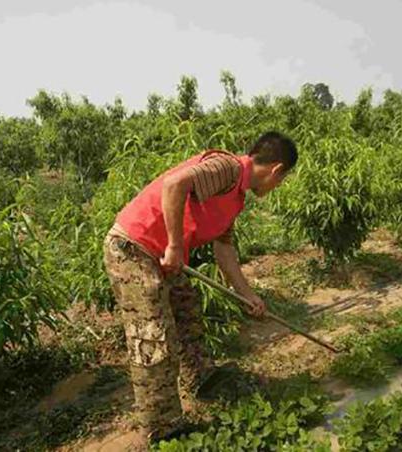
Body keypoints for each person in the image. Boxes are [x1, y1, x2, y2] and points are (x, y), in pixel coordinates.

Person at [102, 131, 298, 445]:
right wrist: (176, 245)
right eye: (282, 180)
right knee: (152, 336)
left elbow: (225, 253)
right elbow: (174, 185)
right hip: (134, 248)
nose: (278, 186)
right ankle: (162, 428)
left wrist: (249, 296)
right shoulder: (227, 168)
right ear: (276, 170)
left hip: (163, 257)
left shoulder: (235, 198)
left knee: (186, 312)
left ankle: (201, 379)